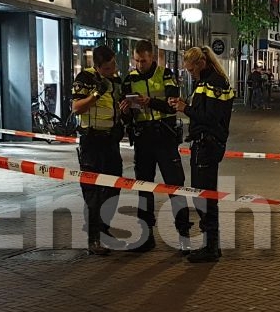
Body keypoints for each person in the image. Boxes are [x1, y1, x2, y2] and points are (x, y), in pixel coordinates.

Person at [121, 40, 191, 253]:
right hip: (143, 139)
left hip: (164, 137)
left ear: (152, 57)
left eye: (143, 60)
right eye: (136, 60)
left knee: (175, 186)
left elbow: (171, 105)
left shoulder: (166, 74)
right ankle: (145, 236)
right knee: (143, 187)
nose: (139, 65)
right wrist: (124, 111)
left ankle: (184, 236)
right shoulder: (129, 79)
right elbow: (126, 116)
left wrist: (149, 102)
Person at [169, 46, 233, 263]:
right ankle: (211, 244)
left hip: (207, 144)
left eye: (190, 70)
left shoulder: (213, 83)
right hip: (205, 144)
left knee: (204, 197)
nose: (190, 73)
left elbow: (209, 117)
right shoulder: (209, 81)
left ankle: (211, 246)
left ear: (200, 64)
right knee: (203, 195)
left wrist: (185, 108)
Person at [72, 44, 124, 256]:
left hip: (111, 142)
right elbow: (76, 107)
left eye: (114, 66)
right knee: (93, 192)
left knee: (114, 186)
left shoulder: (116, 81)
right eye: (108, 68)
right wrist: (95, 95)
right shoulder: (85, 78)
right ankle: (94, 239)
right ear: (97, 66)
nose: (112, 71)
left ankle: (104, 229)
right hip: (91, 142)